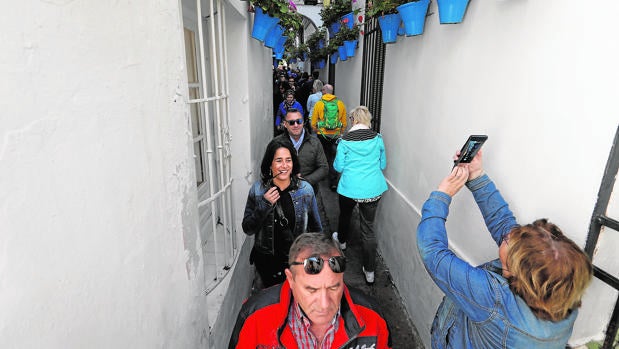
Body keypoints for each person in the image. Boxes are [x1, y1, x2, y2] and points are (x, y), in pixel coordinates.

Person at [416, 150, 593, 349]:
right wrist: (477, 176)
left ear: (516, 273)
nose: (509, 234)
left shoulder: (495, 301)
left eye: (510, 242)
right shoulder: (561, 296)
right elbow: (504, 223)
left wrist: (442, 195)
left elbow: (432, 253)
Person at [228, 232, 392, 349]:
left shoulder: (372, 316)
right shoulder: (255, 317)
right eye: (311, 289)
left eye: (334, 287)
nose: (324, 304)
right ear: (291, 279)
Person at [242, 140, 322, 288]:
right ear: (270, 165)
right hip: (266, 265)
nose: (284, 165)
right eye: (279, 160)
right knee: (270, 307)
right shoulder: (258, 190)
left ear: (293, 164)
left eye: (288, 160)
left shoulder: (305, 190)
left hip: (295, 264)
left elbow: (316, 230)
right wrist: (264, 205)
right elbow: (248, 228)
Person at [332, 106, 387, 285]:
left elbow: (338, 167)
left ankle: (341, 242)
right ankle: (369, 271)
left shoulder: (345, 141)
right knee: (368, 228)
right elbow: (383, 164)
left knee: (345, 215)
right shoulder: (378, 139)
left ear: (353, 120)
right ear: (367, 120)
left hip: (350, 188)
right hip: (372, 189)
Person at [274, 108, 328, 192]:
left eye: (298, 121)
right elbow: (268, 168)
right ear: (285, 124)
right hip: (285, 193)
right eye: (291, 122)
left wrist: (304, 182)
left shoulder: (315, 142)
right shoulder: (276, 143)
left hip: (310, 192)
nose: (296, 125)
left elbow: (324, 168)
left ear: (303, 122)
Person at [311, 84, 347, 190]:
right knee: (334, 157)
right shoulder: (340, 104)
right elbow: (344, 122)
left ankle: (322, 175)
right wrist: (340, 132)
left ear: (323, 91)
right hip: (335, 135)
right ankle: (333, 182)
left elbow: (314, 121)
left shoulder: (319, 104)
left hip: (322, 134)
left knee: (323, 155)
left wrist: (317, 130)